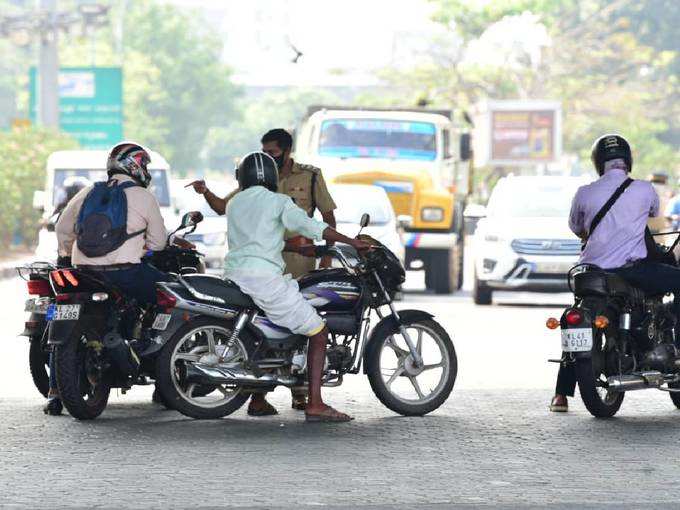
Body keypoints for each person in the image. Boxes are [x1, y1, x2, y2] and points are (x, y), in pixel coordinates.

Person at [188, 128, 337, 414]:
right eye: (265, 152)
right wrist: (206, 192)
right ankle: (260, 398)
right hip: (268, 270)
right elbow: (222, 206)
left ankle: (300, 395)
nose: (267, 157)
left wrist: (327, 257)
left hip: (297, 265)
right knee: (273, 330)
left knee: (289, 332)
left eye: (273, 152)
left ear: (287, 151)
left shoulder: (310, 175)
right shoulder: (254, 185)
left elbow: (327, 216)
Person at [223, 151, 370, 422]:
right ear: (271, 175)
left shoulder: (235, 203)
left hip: (235, 275)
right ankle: (315, 403)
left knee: (275, 324)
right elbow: (311, 225)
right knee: (318, 330)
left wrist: (296, 248)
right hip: (264, 279)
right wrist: (351, 241)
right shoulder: (277, 201)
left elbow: (260, 238)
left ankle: (262, 395)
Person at [52, 142, 187, 414]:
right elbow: (159, 243)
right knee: (173, 299)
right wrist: (142, 247)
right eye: (144, 165)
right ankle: (154, 360)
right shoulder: (143, 196)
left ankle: (55, 390)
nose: (146, 170)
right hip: (125, 273)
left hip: (84, 273)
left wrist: (68, 255)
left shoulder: (89, 192)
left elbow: (63, 228)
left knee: (59, 312)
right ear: (135, 166)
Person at [549, 134, 680, 412]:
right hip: (631, 271)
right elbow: (654, 216)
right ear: (628, 160)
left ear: (598, 162)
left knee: (577, 315)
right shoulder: (644, 190)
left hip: (589, 273)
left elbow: (577, 228)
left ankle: (560, 395)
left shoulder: (584, 193)